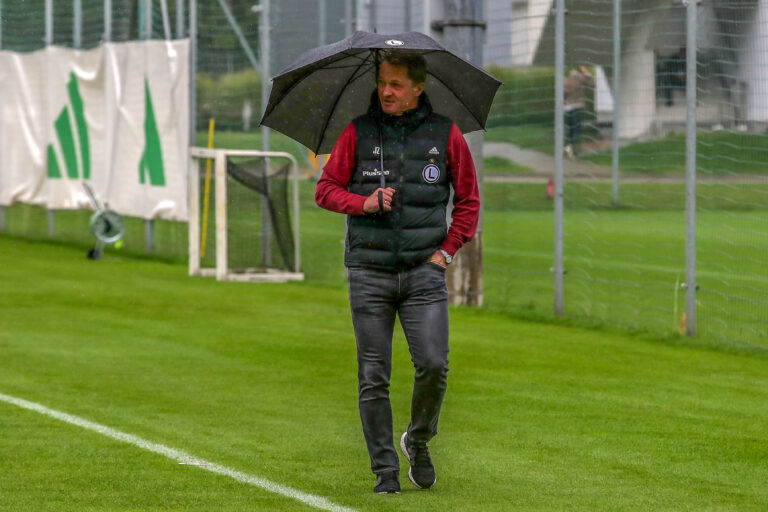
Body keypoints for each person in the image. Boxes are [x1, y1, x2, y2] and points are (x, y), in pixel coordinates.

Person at [315, 51, 480, 494]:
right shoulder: (357, 133)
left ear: (418, 88)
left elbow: (467, 203)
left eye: (396, 84)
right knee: (374, 375)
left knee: (433, 365)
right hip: (368, 271)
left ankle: (418, 439)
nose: (386, 91)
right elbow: (325, 190)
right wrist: (362, 202)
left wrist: (445, 253)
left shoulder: (447, 135)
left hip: (424, 272)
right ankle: (385, 471)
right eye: (383, 83)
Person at [563, 65, 594, 158]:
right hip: (577, 106)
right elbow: (593, 83)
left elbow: (563, 95)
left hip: (567, 107)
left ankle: (569, 146)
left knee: (571, 129)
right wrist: (586, 73)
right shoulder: (581, 79)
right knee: (577, 129)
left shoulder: (566, 81)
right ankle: (574, 151)